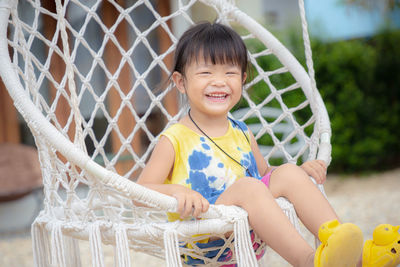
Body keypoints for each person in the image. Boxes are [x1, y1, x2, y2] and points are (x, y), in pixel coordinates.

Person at [137, 22, 397, 267]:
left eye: (230, 72)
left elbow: (264, 177)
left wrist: (299, 174)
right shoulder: (175, 138)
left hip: (247, 232)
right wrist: (176, 192)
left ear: (243, 79)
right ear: (181, 82)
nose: (219, 81)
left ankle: (357, 257)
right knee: (249, 188)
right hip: (204, 240)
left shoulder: (241, 131)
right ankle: (309, 261)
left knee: (286, 171)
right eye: (206, 72)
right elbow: (140, 193)